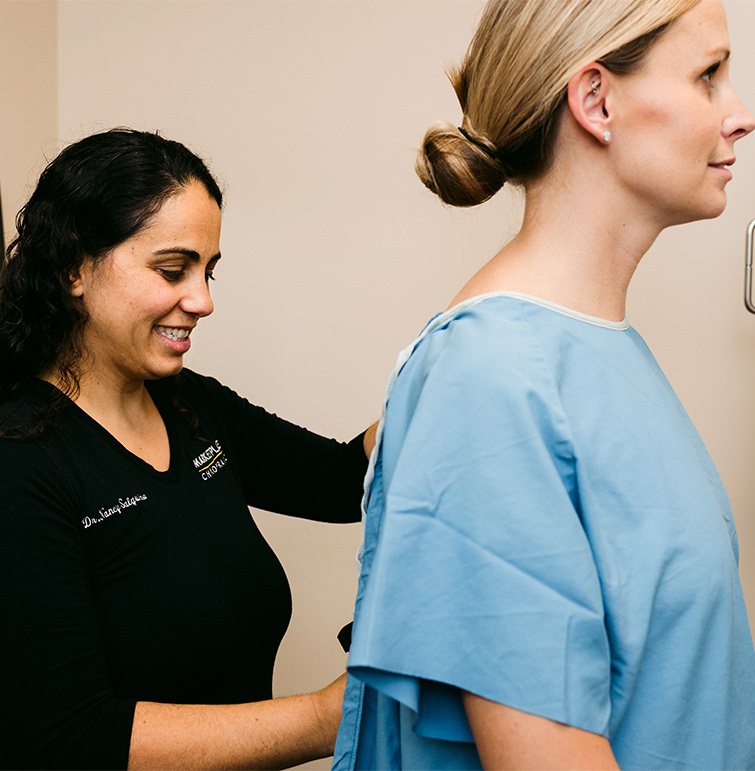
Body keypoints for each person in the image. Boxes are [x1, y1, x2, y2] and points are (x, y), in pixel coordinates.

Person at [333, 0, 755, 769]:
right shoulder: (488, 379)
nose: (740, 116)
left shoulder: (601, 350)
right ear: (597, 101)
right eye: (708, 76)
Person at [0, 128, 374, 770]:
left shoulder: (190, 406)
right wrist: (325, 719)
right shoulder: (21, 460)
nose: (202, 300)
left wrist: (445, 367)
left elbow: (344, 482)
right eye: (173, 269)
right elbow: (71, 738)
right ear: (73, 269)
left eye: (208, 270)